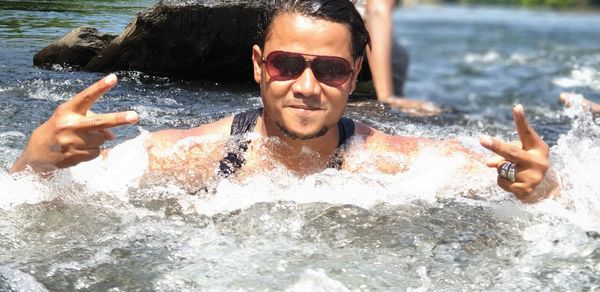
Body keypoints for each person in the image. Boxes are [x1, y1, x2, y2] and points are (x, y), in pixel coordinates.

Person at [10, 0, 557, 203]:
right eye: (286, 64)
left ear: (355, 75)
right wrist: (36, 160)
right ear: (257, 65)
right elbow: (24, 198)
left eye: (332, 69)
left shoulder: (392, 160)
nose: (306, 87)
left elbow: (515, 178)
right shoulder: (188, 155)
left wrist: (534, 183)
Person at [357, 0, 441, 116]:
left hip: (330, 34)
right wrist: (387, 97)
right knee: (398, 57)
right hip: (348, 43)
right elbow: (376, 13)